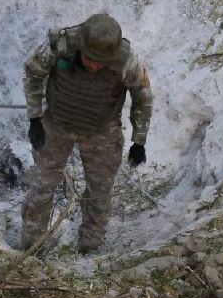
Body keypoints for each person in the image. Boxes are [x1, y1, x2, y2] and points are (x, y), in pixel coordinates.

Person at [21, 13, 153, 254]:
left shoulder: (126, 61)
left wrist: (139, 140)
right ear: (81, 47)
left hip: (101, 131)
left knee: (100, 191)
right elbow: (33, 72)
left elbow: (143, 97)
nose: (94, 66)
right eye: (91, 59)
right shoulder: (61, 46)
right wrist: (34, 118)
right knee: (42, 186)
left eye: (101, 61)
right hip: (57, 124)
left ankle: (89, 247)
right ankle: (32, 246)